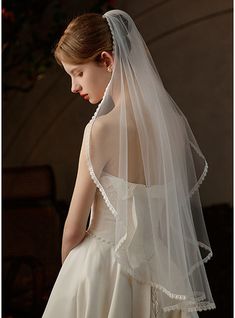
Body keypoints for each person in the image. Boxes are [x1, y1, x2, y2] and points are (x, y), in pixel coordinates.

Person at [42, 9, 216, 318]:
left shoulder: (100, 131)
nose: (74, 87)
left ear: (107, 61)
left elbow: (73, 229)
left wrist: (72, 280)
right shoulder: (173, 126)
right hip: (163, 274)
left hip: (101, 266)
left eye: (78, 73)